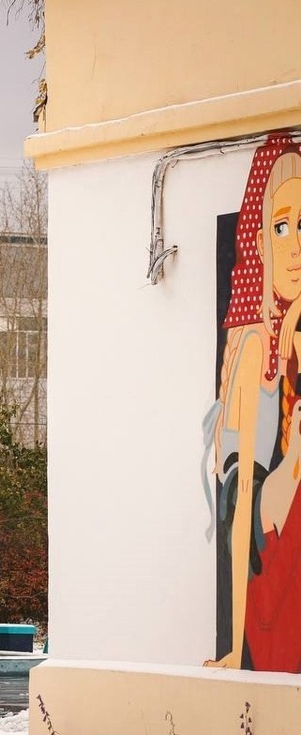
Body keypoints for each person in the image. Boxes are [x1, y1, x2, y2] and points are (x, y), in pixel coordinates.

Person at [209, 136, 301, 670]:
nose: (293, 246)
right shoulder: (250, 346)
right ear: (261, 240)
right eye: (281, 226)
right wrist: (233, 647)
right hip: (250, 515)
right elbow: (243, 500)